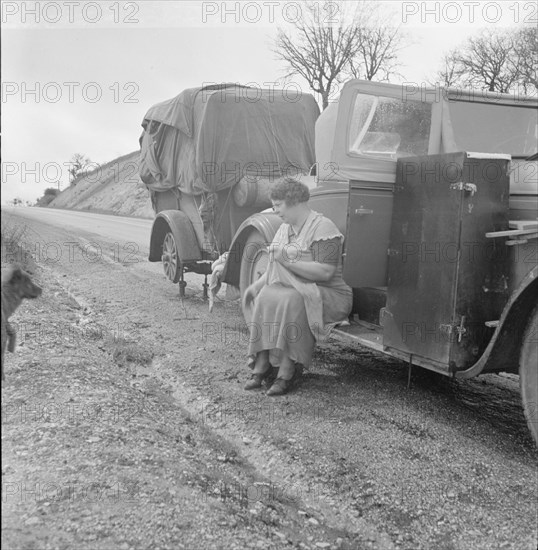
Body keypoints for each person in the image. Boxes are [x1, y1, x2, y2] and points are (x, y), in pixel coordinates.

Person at [242, 177, 353, 396]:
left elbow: (325, 272)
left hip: (330, 294)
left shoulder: (323, 227)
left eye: (278, 205)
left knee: (292, 298)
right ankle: (263, 363)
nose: (276, 211)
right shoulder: (285, 229)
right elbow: (276, 265)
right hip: (302, 287)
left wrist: (288, 260)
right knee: (266, 294)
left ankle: (288, 370)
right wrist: (255, 287)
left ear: (294, 202)